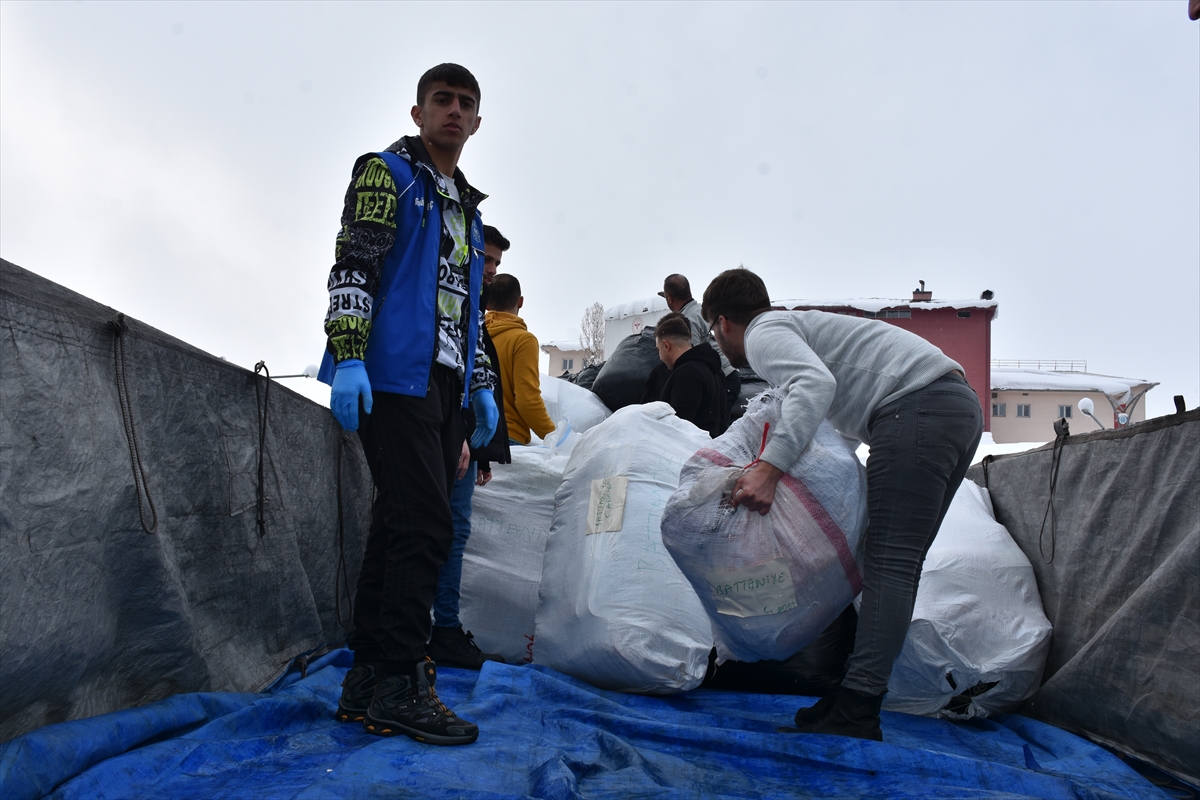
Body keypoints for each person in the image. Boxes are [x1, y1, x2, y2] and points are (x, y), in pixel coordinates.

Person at [702, 268, 982, 741]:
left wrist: (768, 469)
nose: (719, 341)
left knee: (889, 566)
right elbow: (831, 427)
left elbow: (814, 386)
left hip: (916, 408)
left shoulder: (764, 333)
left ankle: (858, 708)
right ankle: (855, 695)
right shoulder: (802, 330)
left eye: (712, 331)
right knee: (895, 565)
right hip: (952, 407)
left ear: (724, 322)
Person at [317, 63, 497, 746]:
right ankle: (399, 679)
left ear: (477, 122)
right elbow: (353, 264)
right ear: (419, 110)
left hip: (443, 387)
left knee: (397, 526)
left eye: (466, 104)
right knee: (425, 526)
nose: (454, 111)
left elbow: (468, 311)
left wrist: (479, 386)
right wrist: (351, 353)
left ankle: (367, 678)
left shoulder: (469, 211)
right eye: (442, 100)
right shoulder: (387, 173)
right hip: (391, 376)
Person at [428, 225, 511, 670]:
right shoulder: (447, 300)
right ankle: (431, 630)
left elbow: (478, 380)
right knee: (429, 529)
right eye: (487, 258)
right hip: (441, 431)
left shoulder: (473, 309)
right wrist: (461, 435)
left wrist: (481, 447)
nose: (492, 270)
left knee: (453, 531)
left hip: (460, 436)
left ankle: (441, 627)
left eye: (497, 263)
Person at [485, 274, 557, 446]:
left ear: (486, 303)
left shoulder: (474, 335)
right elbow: (527, 400)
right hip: (507, 438)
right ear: (520, 302)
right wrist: (555, 437)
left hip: (472, 436)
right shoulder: (522, 340)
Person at [659, 273, 742, 414]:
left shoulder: (687, 320)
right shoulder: (700, 310)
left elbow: (692, 356)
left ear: (669, 298)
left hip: (723, 378)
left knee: (715, 429)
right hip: (727, 374)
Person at [641, 312, 728, 437]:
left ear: (666, 345)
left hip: (690, 453)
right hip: (711, 448)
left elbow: (678, 428)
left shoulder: (687, 374)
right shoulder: (712, 370)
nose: (659, 357)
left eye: (658, 349)